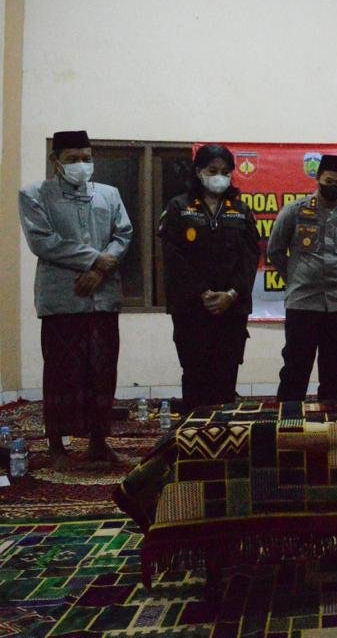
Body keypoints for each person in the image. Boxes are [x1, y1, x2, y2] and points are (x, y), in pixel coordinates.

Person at [19, 130, 134, 467]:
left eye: (86, 158)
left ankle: (98, 443)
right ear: (55, 162)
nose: (81, 164)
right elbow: (43, 241)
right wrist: (95, 259)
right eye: (72, 159)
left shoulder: (109, 194)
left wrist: (99, 272)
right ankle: (57, 448)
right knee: (61, 373)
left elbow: (123, 234)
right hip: (63, 300)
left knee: (102, 371)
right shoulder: (35, 195)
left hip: (103, 298)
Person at [159, 144, 259, 414]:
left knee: (226, 376)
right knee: (195, 374)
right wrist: (203, 293)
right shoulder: (179, 206)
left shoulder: (241, 210)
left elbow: (250, 258)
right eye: (212, 171)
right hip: (192, 308)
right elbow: (173, 257)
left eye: (225, 172)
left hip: (231, 309)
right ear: (198, 171)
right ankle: (194, 431)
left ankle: (224, 434)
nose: (219, 177)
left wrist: (232, 294)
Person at [267, 155, 337, 402]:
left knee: (334, 370)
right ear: (318, 178)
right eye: (329, 181)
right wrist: (295, 278)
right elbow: (275, 250)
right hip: (302, 303)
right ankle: (289, 420)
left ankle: (332, 422)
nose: (334, 186)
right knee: (295, 369)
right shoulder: (295, 211)